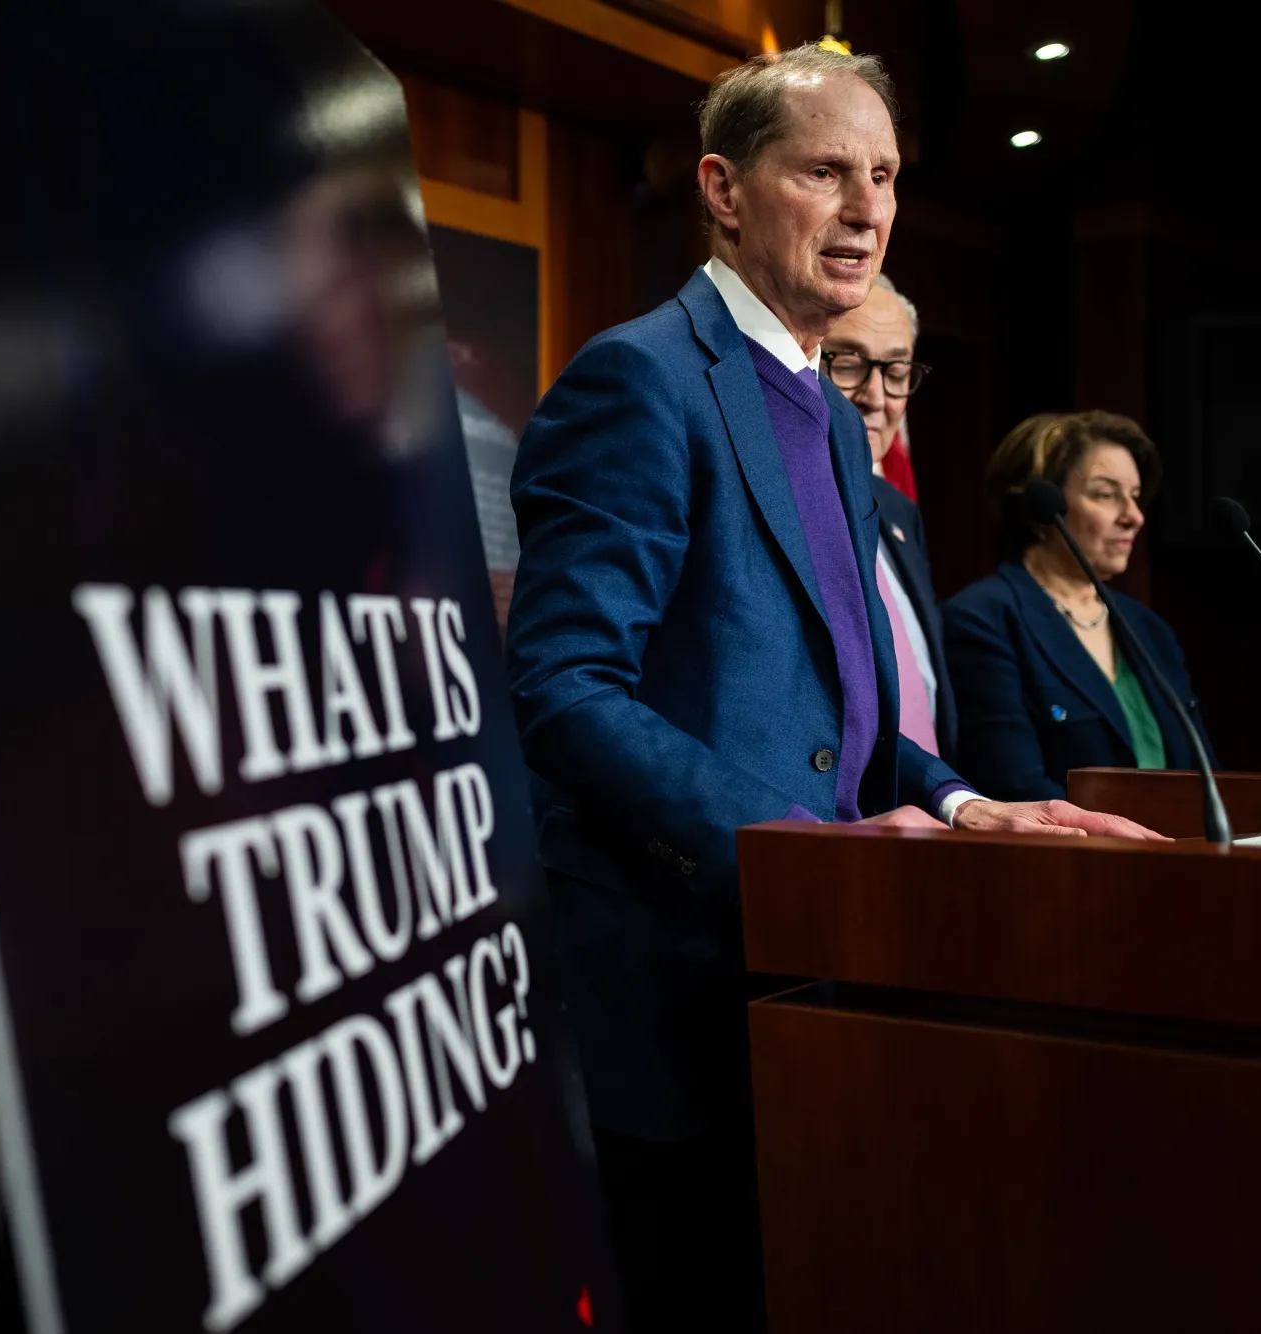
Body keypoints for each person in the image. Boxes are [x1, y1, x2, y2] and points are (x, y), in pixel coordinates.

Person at [505, 44, 1160, 1332]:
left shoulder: (828, 414)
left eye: (884, 176)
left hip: (819, 985)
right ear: (724, 187)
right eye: (824, 171)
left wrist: (970, 806)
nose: (866, 208)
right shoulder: (642, 379)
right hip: (676, 992)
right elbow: (564, 685)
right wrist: (802, 853)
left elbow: (851, 713)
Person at [942, 410, 1214, 800]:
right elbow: (1013, 787)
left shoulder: (1148, 629)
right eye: (1106, 494)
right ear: (1041, 508)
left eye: (1136, 497)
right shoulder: (984, 619)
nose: (1134, 517)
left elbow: (1207, 776)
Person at [822, 271, 954, 762]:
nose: (877, 398)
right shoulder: (774, 495)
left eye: (896, 373)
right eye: (851, 365)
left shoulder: (899, 511)